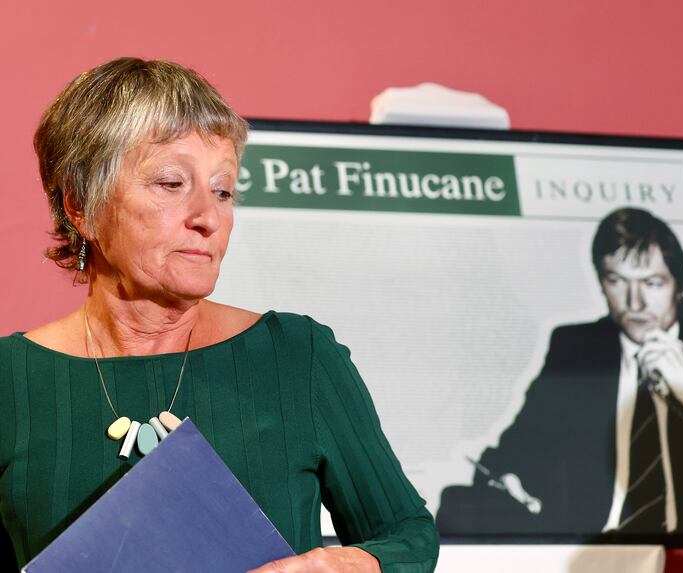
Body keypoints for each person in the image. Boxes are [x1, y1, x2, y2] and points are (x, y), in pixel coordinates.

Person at [0, 57, 439, 572]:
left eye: (224, 190)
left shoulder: (298, 355)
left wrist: (346, 565)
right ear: (82, 207)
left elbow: (408, 535)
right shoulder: (10, 380)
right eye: (171, 183)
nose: (209, 218)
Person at [436, 207, 683, 536]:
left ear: (681, 289)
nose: (636, 302)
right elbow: (516, 449)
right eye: (617, 281)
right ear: (603, 285)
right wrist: (511, 477)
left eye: (652, 282)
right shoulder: (576, 348)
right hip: (593, 550)